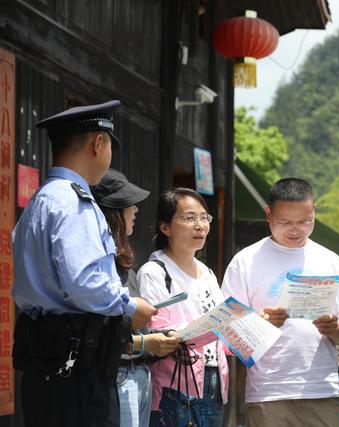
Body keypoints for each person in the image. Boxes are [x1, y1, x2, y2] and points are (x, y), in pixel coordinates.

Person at [11, 101, 157, 427]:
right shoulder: (73, 200)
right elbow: (84, 283)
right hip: (77, 365)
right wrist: (129, 306)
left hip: (50, 360)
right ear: (98, 143)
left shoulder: (42, 199)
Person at [221, 178, 339, 427]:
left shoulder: (331, 261)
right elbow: (227, 335)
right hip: (269, 393)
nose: (296, 229)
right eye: (284, 222)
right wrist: (261, 324)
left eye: (305, 221)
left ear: (314, 210)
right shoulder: (245, 261)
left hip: (323, 390)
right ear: (268, 214)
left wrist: (332, 327)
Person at [91, 169, 181, 427]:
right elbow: (102, 333)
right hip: (117, 376)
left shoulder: (123, 264)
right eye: (129, 204)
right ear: (113, 212)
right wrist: (145, 343)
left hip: (140, 376)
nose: (136, 210)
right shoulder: (100, 263)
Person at [137, 188, 229, 427]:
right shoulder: (155, 272)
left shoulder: (207, 273)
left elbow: (222, 335)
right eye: (189, 218)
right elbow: (159, 331)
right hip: (176, 386)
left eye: (203, 218)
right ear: (165, 227)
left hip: (215, 381)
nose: (200, 225)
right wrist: (216, 325)